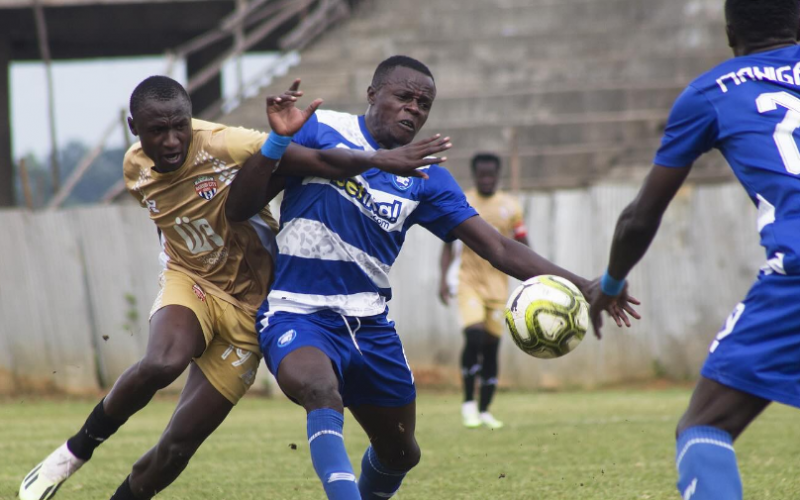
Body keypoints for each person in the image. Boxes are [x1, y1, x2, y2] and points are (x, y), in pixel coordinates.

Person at [19, 76, 451, 500]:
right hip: (193, 281)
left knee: (176, 448)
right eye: (157, 131)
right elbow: (170, 215)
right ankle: (73, 453)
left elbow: (318, 161)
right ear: (134, 129)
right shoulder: (134, 167)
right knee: (163, 361)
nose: (171, 141)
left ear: (192, 121)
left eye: (179, 128)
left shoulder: (225, 143)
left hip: (252, 309)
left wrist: (380, 160)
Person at [233, 55, 637, 500]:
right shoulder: (318, 127)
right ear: (373, 95)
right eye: (403, 97)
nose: (414, 109)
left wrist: (586, 284)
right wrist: (275, 142)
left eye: (423, 103)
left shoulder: (426, 177)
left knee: (400, 453)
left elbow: (498, 246)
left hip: (368, 323)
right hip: (297, 311)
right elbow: (239, 206)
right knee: (320, 390)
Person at [586, 1, 800, 498]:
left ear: (730, 33)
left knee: (705, 426)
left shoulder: (712, 92)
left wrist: (612, 282)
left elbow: (640, 217)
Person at [438, 152, 528, 429]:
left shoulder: (510, 207)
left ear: (497, 175)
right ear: (475, 175)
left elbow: (524, 243)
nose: (486, 179)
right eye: (482, 175)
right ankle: (468, 403)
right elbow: (446, 245)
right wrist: (442, 279)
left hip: (499, 287)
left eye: (491, 175)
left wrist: (533, 278)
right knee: (474, 336)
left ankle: (485, 409)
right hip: (469, 282)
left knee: (491, 348)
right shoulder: (463, 201)